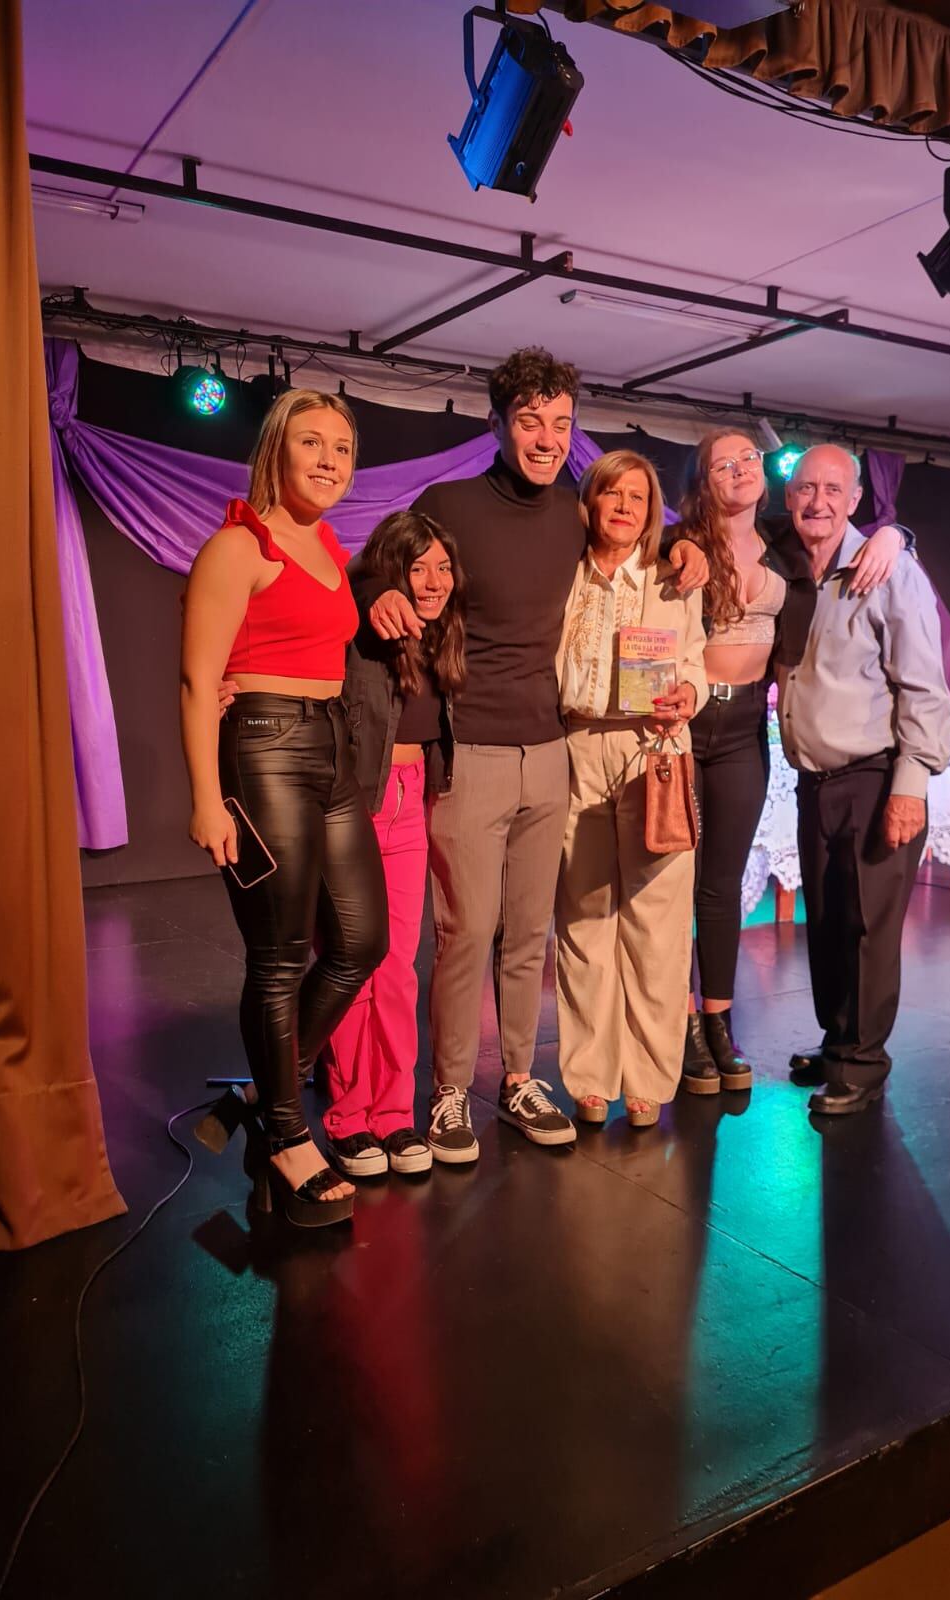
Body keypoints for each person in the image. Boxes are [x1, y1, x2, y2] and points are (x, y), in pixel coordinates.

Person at [366, 347, 708, 1164]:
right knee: (464, 931)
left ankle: (518, 1076)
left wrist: (688, 545)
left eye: (561, 423)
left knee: (528, 937)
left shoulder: (571, 515)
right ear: (499, 423)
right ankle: (450, 1092)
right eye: (531, 422)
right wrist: (377, 588)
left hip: (552, 751)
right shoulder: (447, 503)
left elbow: (635, 540)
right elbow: (382, 562)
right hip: (470, 749)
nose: (548, 438)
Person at [181, 389, 388, 1226]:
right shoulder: (240, 544)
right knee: (279, 955)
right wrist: (205, 797)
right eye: (313, 442)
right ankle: (285, 1133)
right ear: (278, 449)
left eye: (343, 447)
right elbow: (200, 679)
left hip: (330, 745)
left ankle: (261, 1095)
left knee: (362, 942)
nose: (331, 460)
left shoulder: (329, 545)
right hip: (263, 747)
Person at [674, 429, 907, 1096]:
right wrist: (683, 545)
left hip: (746, 724)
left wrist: (898, 534)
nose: (744, 468)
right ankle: (679, 1023)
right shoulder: (678, 543)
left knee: (720, 886)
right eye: (726, 462)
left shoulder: (783, 540)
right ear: (703, 480)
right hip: (684, 721)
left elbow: (847, 527)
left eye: (751, 457)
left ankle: (717, 1021)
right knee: (667, 886)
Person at [777, 445, 950, 1115]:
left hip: (878, 778)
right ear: (788, 498)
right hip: (815, 782)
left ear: (856, 500)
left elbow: (926, 687)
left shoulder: (889, 569)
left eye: (832, 489)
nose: (817, 501)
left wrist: (911, 784)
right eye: (804, 488)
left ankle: (863, 1061)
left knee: (868, 929)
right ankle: (838, 1039)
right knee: (827, 921)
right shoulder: (790, 562)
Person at [553, 451, 708, 1128]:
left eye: (637, 497)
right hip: (577, 746)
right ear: (589, 502)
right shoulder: (559, 574)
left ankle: (647, 1078)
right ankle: (589, 1076)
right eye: (610, 493)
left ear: (653, 513)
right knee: (584, 918)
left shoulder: (674, 577)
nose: (623, 506)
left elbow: (698, 663)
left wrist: (689, 695)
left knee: (657, 924)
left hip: (656, 751)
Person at [321, 511, 466, 1179]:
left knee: (398, 968)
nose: (433, 581)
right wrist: (370, 589)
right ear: (390, 571)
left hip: (413, 802)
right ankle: (348, 1116)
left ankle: (394, 1112)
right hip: (357, 803)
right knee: (355, 960)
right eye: (418, 568)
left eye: (442, 567)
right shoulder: (363, 623)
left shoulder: (442, 636)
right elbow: (342, 582)